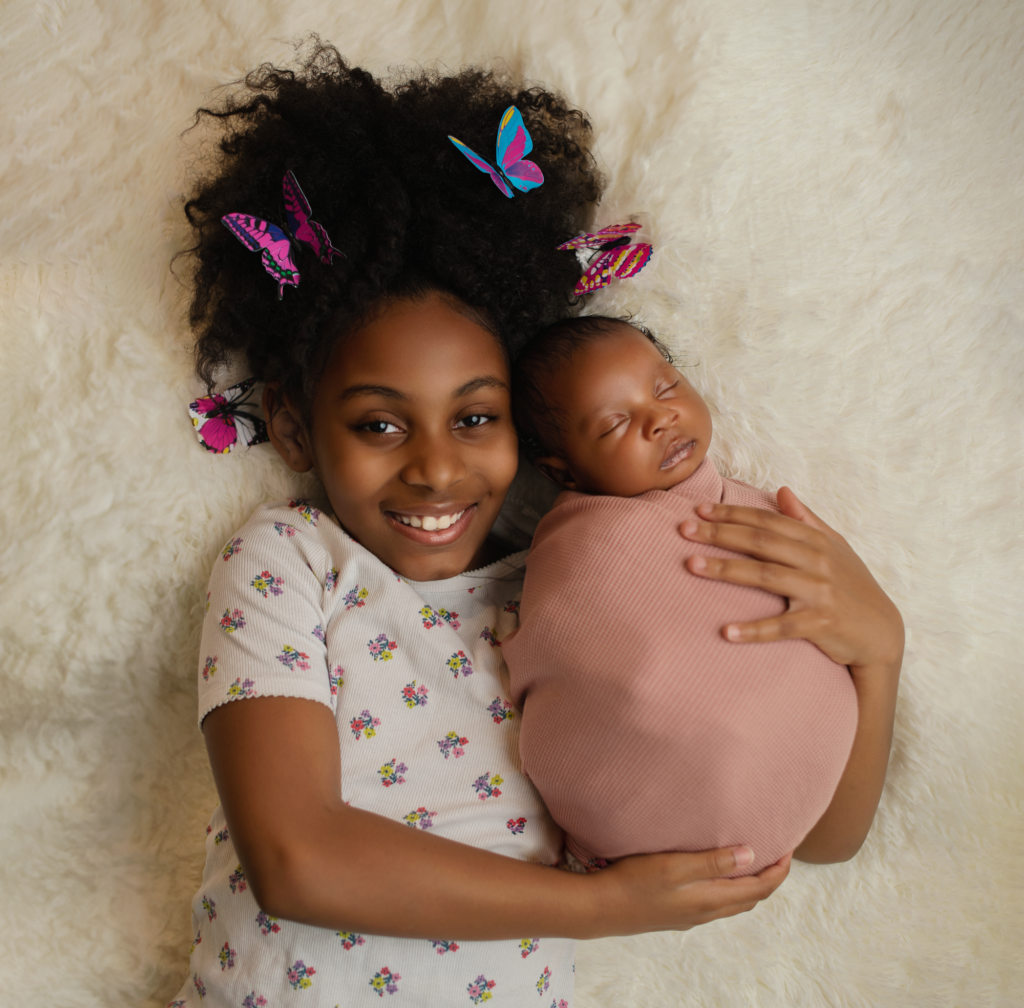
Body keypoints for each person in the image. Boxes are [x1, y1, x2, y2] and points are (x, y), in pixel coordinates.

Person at [167, 42, 903, 1008]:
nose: (435, 465)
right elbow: (295, 858)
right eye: (379, 423)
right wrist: (602, 909)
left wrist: (876, 654)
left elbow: (816, 834)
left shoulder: (572, 597)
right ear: (296, 423)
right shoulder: (288, 565)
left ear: (534, 435)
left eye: (475, 417)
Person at [506, 316, 903, 875]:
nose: (658, 419)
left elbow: (833, 845)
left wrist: (880, 650)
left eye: (666, 388)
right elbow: (573, 642)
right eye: (615, 423)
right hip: (645, 810)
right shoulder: (581, 548)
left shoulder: (757, 516)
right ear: (563, 473)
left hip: (809, 802)